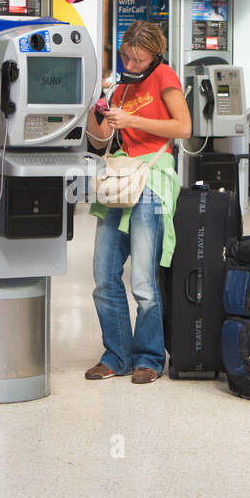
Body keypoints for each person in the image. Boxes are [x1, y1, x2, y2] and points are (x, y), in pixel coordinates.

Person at [85, 20, 191, 384]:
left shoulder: (164, 76)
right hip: (120, 181)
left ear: (154, 55)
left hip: (151, 180)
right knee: (104, 275)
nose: (130, 64)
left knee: (144, 282)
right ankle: (116, 355)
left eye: (137, 58)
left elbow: (184, 127)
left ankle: (148, 357)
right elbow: (102, 141)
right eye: (125, 57)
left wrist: (133, 118)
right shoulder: (119, 87)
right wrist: (93, 113)